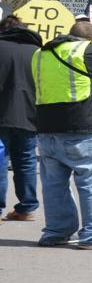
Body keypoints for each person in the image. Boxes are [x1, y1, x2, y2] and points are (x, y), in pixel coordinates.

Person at [30, 20, 92, 248]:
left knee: (54, 186)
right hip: (83, 127)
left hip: (47, 129)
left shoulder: (40, 53)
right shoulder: (88, 50)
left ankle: (56, 232)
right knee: (91, 183)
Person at [0, 15, 42, 221]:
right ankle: (26, 207)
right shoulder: (38, 52)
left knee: (0, 160)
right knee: (25, 160)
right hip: (29, 114)